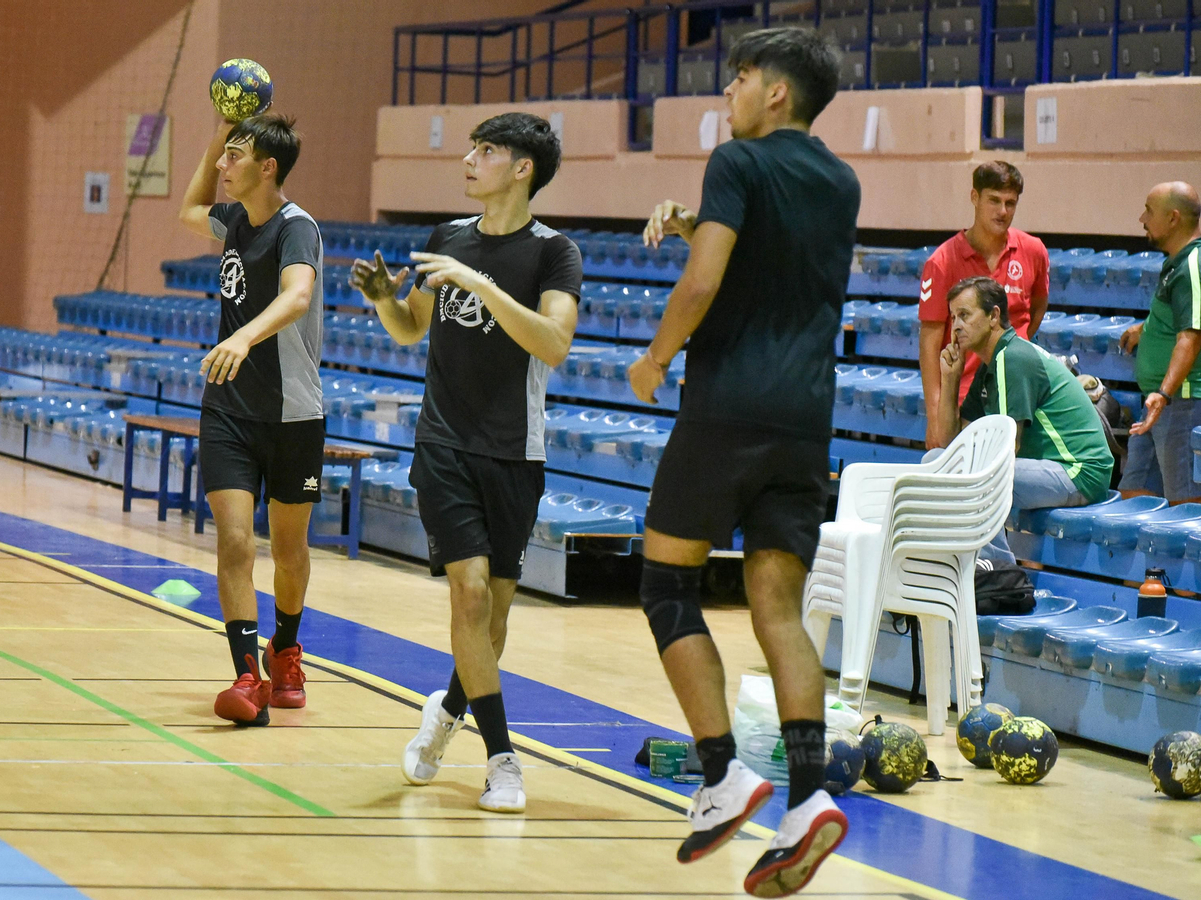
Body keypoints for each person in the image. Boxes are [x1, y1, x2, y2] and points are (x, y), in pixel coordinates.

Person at [624, 28, 858, 898]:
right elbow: (778, 257)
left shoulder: (737, 161)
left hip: (725, 409)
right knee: (778, 609)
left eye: (741, 77)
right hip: (805, 421)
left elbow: (705, 281)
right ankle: (806, 799)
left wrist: (654, 358)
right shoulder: (841, 178)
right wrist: (694, 222)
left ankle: (722, 774)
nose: (729, 91)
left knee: (665, 586)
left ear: (777, 95)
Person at [348, 112, 582, 813]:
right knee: (471, 596)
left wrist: (479, 286)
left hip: (515, 451)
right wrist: (385, 299)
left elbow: (553, 342)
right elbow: (412, 327)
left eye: (487, 151)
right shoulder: (446, 239)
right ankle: (503, 758)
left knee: (495, 618)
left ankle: (448, 714)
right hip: (443, 443)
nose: (469, 160)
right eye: (472, 148)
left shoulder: (554, 252)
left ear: (522, 169)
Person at [177, 113, 324, 726]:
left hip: (292, 415)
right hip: (229, 411)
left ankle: (285, 648)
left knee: (289, 552)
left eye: (234, 156)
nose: (221, 166)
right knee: (235, 541)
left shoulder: (297, 227)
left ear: (269, 167)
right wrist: (220, 128)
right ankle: (245, 675)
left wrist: (245, 339)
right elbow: (190, 208)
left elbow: (298, 297)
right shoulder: (233, 218)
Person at [931, 277, 1114, 564]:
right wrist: (950, 379)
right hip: (1045, 469)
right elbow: (950, 443)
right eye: (953, 317)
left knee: (982, 478)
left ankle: (998, 574)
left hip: (1079, 471)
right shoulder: (991, 363)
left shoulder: (1012, 358)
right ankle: (952, 565)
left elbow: (1007, 449)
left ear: (993, 316)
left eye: (965, 315)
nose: (955, 326)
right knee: (935, 459)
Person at [917, 162, 1051, 445]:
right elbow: (929, 344)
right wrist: (935, 416)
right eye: (994, 200)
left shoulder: (1033, 251)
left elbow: (1036, 309)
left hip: (1017, 393)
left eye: (1010, 203)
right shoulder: (942, 262)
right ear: (974, 197)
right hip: (966, 396)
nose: (1002, 211)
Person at [1119, 182, 1201, 503]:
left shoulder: (1192, 266)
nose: (1142, 218)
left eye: (1149, 211)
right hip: (1158, 407)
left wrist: (1164, 394)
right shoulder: (1176, 263)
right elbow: (1181, 319)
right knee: (1133, 495)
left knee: (1184, 506)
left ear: (1173, 219)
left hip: (1180, 403)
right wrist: (1148, 328)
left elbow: (1190, 337)